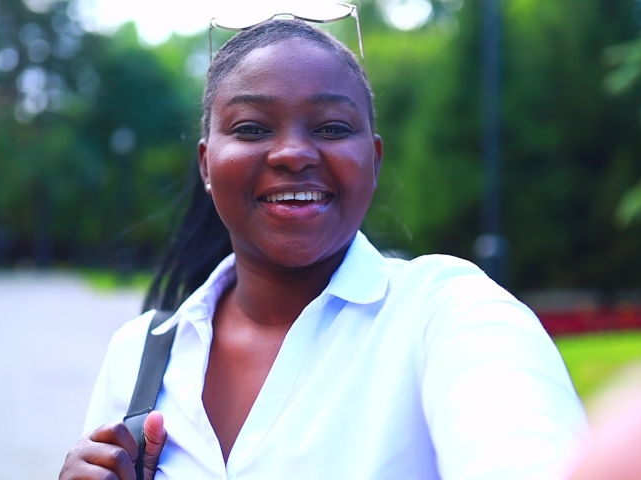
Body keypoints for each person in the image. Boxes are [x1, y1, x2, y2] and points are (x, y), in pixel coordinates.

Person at [59, 18, 589, 480]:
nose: (292, 152)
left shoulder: (449, 315)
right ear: (205, 164)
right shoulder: (138, 355)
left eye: (332, 127)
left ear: (375, 160)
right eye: (251, 128)